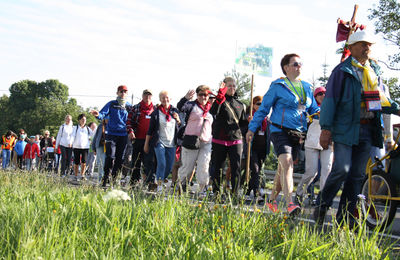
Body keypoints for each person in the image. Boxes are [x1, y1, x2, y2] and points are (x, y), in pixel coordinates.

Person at [313, 31, 400, 226]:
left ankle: (346, 218)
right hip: (345, 129)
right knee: (342, 169)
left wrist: (397, 109)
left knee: (357, 176)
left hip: (368, 129)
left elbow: (382, 98)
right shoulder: (342, 71)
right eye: (362, 44)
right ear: (351, 49)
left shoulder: (373, 71)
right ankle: (321, 205)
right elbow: (330, 101)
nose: (366, 47)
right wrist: (326, 129)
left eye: (369, 44)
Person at [246, 53, 320, 215]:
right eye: (295, 64)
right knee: (287, 163)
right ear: (286, 68)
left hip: (298, 133)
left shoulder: (307, 87)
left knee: (282, 168)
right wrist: (252, 128)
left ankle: (271, 201)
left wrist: (323, 113)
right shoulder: (278, 86)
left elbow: (314, 109)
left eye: (300, 63)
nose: (299, 66)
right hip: (279, 130)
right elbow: (264, 108)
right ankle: (290, 204)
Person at [210, 77, 248, 195]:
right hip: (219, 139)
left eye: (234, 86)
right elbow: (214, 112)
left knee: (236, 168)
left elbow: (242, 124)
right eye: (229, 86)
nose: (232, 88)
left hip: (235, 140)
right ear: (224, 87)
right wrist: (220, 96)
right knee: (218, 168)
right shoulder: (219, 101)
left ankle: (235, 193)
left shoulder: (240, 104)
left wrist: (248, 122)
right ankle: (216, 192)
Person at [295, 87, 333, 204]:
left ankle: (323, 198)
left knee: (326, 169)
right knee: (312, 172)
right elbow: (306, 112)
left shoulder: (332, 106)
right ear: (315, 96)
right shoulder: (312, 108)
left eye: (324, 93)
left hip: (328, 141)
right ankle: (299, 194)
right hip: (312, 141)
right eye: (319, 94)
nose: (322, 95)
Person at [91, 85, 132, 187]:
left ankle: (114, 179)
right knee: (110, 156)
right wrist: (97, 115)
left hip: (123, 135)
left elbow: (133, 118)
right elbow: (102, 114)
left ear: (127, 94)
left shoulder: (129, 106)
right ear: (117, 93)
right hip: (111, 134)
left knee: (120, 158)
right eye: (121, 91)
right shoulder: (111, 104)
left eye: (125, 92)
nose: (123, 93)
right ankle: (105, 178)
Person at [177, 86, 214, 194]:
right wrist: (185, 98)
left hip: (206, 142)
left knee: (204, 165)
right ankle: (181, 185)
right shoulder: (192, 105)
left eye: (206, 95)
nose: (203, 97)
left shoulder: (211, 108)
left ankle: (203, 188)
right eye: (200, 94)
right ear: (197, 95)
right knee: (188, 167)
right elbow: (181, 107)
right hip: (191, 140)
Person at [144, 90, 181, 192]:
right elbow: (150, 130)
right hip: (159, 141)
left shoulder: (175, 111)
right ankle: (159, 185)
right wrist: (146, 144)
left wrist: (178, 120)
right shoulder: (156, 113)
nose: (165, 99)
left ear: (170, 98)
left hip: (172, 143)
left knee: (169, 167)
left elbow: (179, 125)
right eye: (163, 98)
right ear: (160, 99)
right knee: (162, 163)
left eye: (167, 97)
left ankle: (159, 178)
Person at [126, 89, 157, 186]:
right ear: (142, 96)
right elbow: (128, 122)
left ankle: (149, 183)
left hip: (150, 141)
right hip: (138, 139)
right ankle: (134, 182)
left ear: (152, 97)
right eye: (145, 95)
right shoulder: (136, 108)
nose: (147, 97)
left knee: (150, 162)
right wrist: (130, 131)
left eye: (149, 95)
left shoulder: (156, 109)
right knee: (136, 162)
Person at [245, 96, 271, 199]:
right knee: (255, 170)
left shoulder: (267, 118)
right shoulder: (249, 116)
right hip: (252, 148)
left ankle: (247, 192)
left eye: (262, 104)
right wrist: (249, 123)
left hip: (263, 149)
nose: (260, 106)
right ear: (253, 105)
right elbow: (244, 131)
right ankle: (256, 193)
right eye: (258, 103)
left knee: (257, 171)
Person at [71, 113, 93, 180]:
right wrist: (71, 143)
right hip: (76, 147)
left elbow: (91, 137)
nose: (84, 121)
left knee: (84, 162)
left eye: (85, 119)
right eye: (82, 119)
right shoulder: (75, 128)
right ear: (79, 120)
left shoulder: (88, 129)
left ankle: (82, 175)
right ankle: (75, 175)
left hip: (85, 147)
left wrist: (90, 143)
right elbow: (72, 136)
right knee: (76, 162)